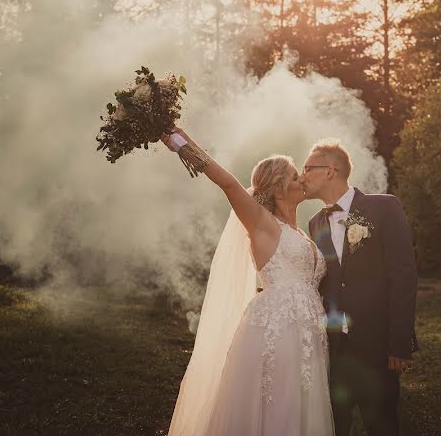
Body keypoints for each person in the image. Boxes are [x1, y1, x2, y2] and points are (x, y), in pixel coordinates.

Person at [162, 127, 334, 436]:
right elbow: (228, 183)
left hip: (308, 335)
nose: (302, 180)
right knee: (278, 405)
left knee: (303, 405)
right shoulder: (263, 223)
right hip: (278, 331)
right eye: (295, 177)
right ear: (279, 188)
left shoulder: (301, 232)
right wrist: (178, 139)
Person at [301, 139, 418, 436]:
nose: (302, 175)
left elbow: (403, 275)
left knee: (382, 426)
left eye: (307, 168)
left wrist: (400, 341)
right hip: (332, 350)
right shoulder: (315, 223)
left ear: (330, 171)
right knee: (333, 427)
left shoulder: (384, 207)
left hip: (377, 347)